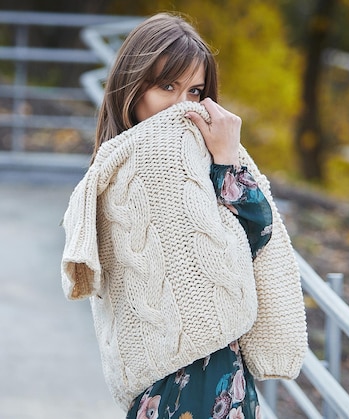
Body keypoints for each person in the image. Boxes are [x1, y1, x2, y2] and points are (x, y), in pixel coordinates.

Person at [61, 12, 308, 418]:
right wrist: (227, 161)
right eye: (167, 86)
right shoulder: (149, 161)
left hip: (200, 378)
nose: (181, 107)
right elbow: (235, 259)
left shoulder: (136, 159)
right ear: (132, 86)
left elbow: (249, 240)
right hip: (191, 380)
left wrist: (224, 160)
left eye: (194, 92)